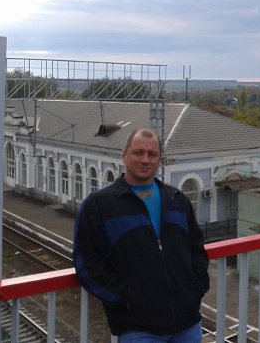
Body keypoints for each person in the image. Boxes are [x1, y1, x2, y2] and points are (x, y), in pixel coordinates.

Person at [73, 128, 210, 343]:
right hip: (139, 329)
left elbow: (196, 248)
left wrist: (196, 288)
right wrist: (125, 298)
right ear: (124, 155)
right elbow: (86, 261)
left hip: (188, 324)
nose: (145, 160)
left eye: (152, 154)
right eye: (138, 152)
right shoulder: (100, 205)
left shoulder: (176, 199)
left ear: (159, 160)